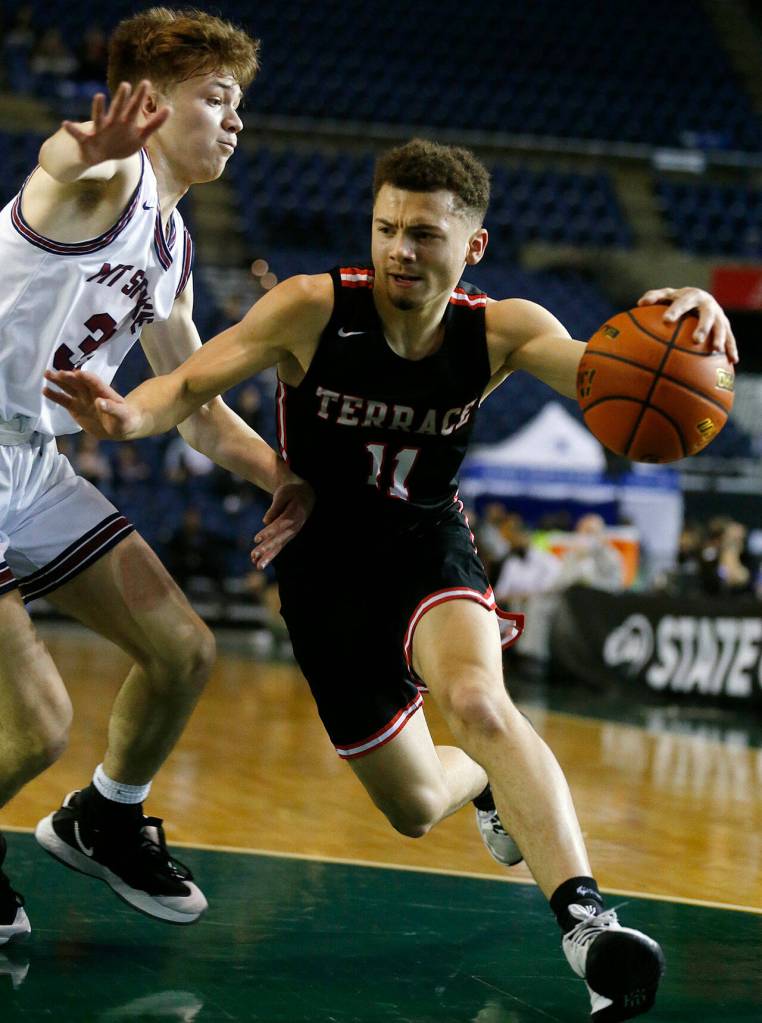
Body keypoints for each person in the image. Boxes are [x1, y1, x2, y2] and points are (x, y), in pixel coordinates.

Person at [46, 138, 738, 1020]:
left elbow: (613, 368)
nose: (401, 248)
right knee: (414, 805)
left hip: (428, 548)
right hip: (325, 573)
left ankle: (587, 925)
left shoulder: (503, 330)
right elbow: (185, 384)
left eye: (424, 233)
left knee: (482, 702)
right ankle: (482, 783)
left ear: (471, 248)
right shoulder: (310, 308)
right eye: (387, 228)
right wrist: (124, 412)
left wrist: (694, 318)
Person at [0, 7, 314, 944]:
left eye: (239, 102)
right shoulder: (108, 179)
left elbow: (199, 409)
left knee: (185, 650)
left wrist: (287, 481)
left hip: (29, 460)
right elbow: (66, 167)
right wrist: (82, 147)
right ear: (146, 106)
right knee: (39, 722)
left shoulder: (171, 247)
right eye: (215, 98)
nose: (235, 120)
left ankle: (105, 815)